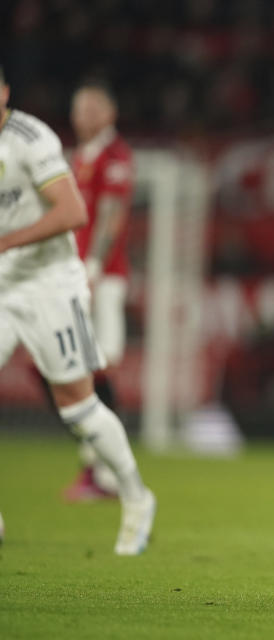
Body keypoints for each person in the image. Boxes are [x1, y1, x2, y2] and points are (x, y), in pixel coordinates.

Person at [0, 66, 155, 554]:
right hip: (5, 285)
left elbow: (75, 214)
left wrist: (8, 242)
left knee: (82, 401)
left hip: (54, 282)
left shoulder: (33, 139)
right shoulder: (80, 153)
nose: (83, 115)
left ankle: (132, 493)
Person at [62, 79, 135, 502]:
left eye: (91, 109)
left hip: (102, 279)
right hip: (74, 277)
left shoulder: (115, 156)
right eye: (78, 108)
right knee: (80, 371)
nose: (82, 116)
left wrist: (93, 264)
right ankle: (97, 469)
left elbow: (112, 214)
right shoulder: (78, 157)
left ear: (109, 114)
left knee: (98, 367)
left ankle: (106, 471)